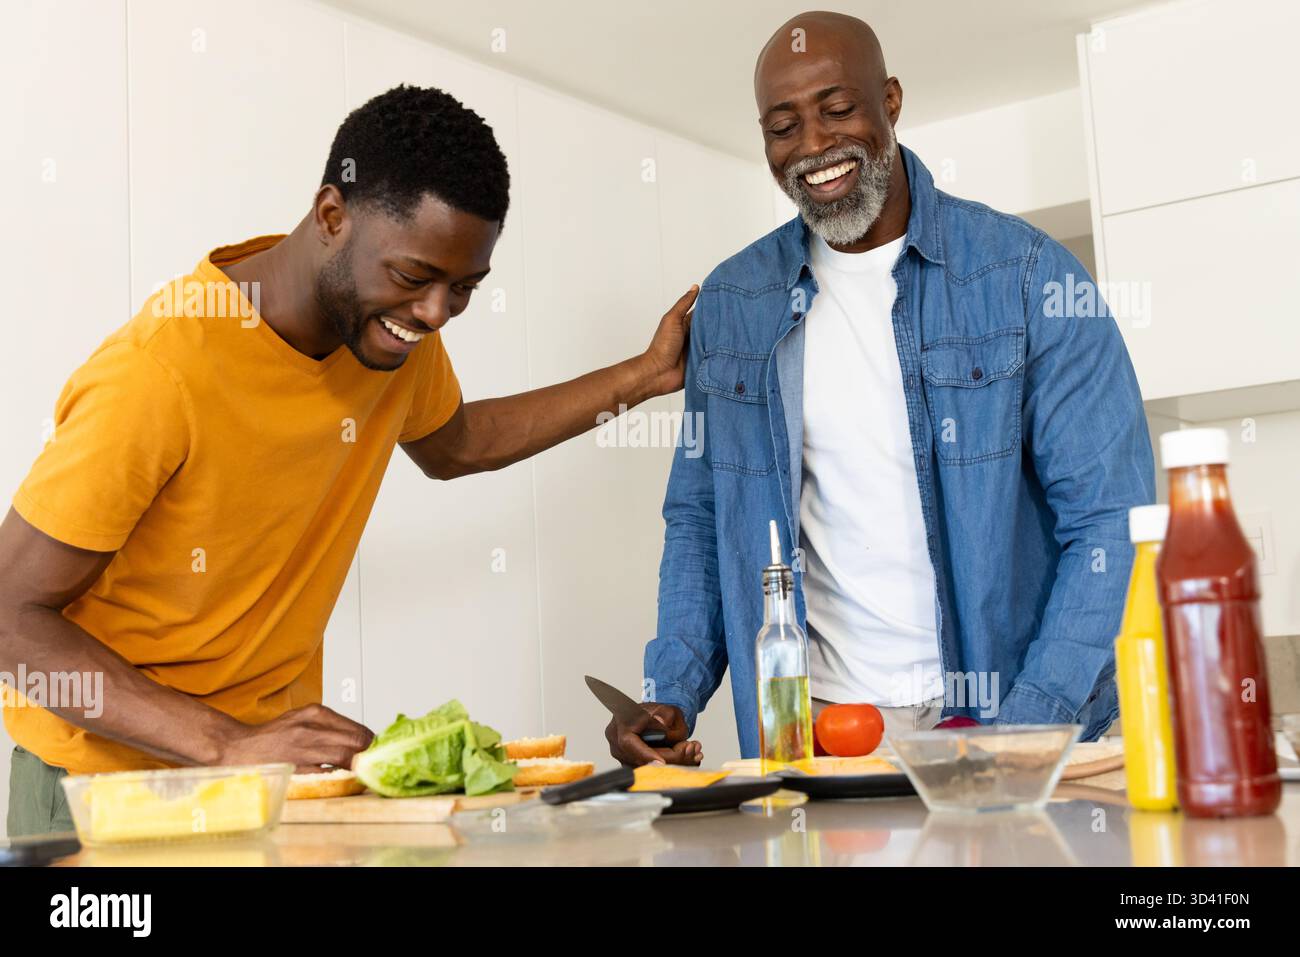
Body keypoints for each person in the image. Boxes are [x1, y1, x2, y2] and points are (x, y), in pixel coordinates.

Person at [0, 84, 696, 834]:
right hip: (103, 792)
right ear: (332, 215)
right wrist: (225, 740)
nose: (434, 314)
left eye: (462, 289)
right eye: (413, 277)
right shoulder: (158, 372)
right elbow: (12, 618)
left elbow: (459, 441)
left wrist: (647, 375)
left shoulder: (390, 341)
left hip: (272, 781)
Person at [606, 11, 1153, 766]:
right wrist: (671, 689)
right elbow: (702, 520)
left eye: (837, 110)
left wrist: (1029, 727)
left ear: (889, 101)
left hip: (1005, 712)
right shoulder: (735, 302)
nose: (814, 148)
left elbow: (1109, 522)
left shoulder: (1028, 275)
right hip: (817, 730)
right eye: (782, 127)